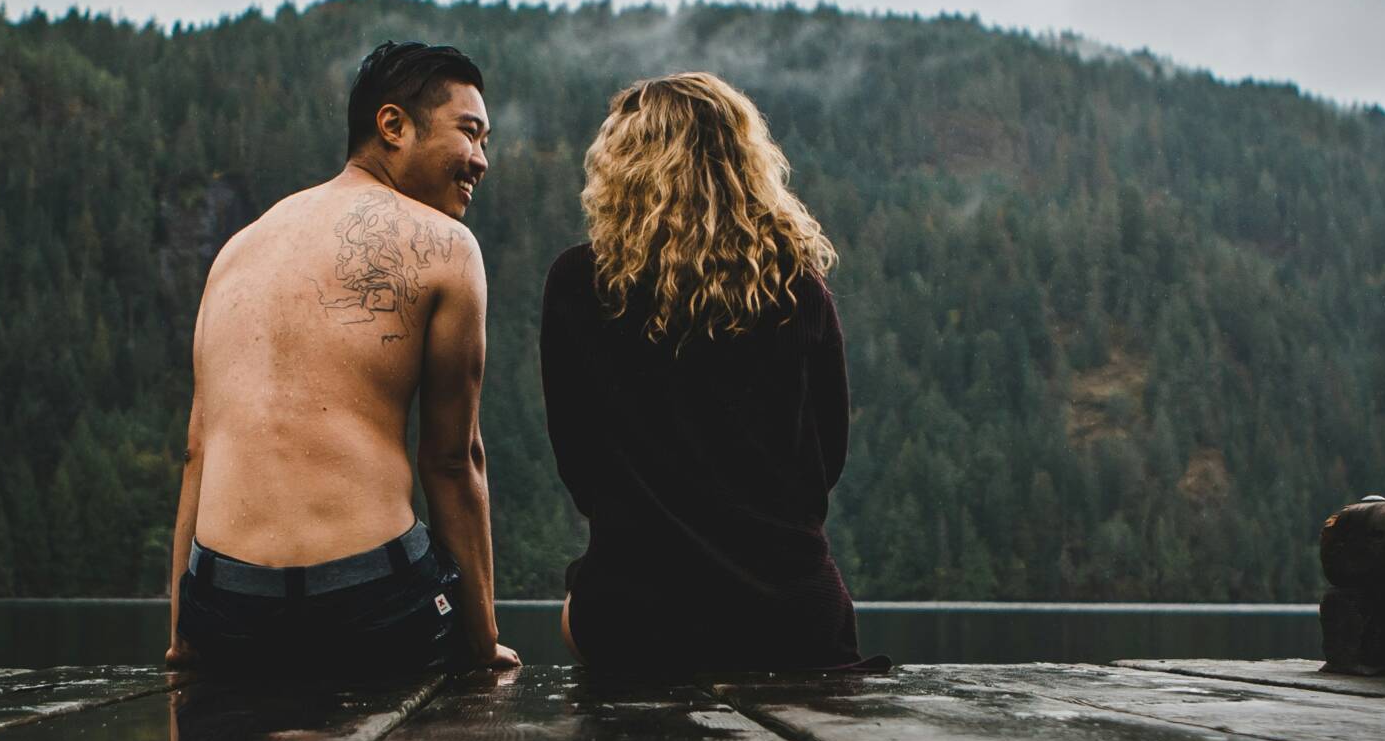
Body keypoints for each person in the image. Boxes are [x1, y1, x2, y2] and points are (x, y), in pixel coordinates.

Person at [167, 41, 521, 677]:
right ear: (393, 125)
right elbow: (451, 459)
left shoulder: (237, 252)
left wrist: (184, 634)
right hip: (367, 607)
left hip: (227, 610)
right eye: (469, 133)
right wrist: (480, 643)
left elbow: (196, 450)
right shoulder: (448, 246)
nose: (481, 160)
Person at [539, 72, 870, 675]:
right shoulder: (799, 292)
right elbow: (825, 464)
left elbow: (580, 468)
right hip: (794, 622)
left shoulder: (576, 286)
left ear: (621, 167)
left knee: (576, 612)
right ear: (746, 163)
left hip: (636, 619)